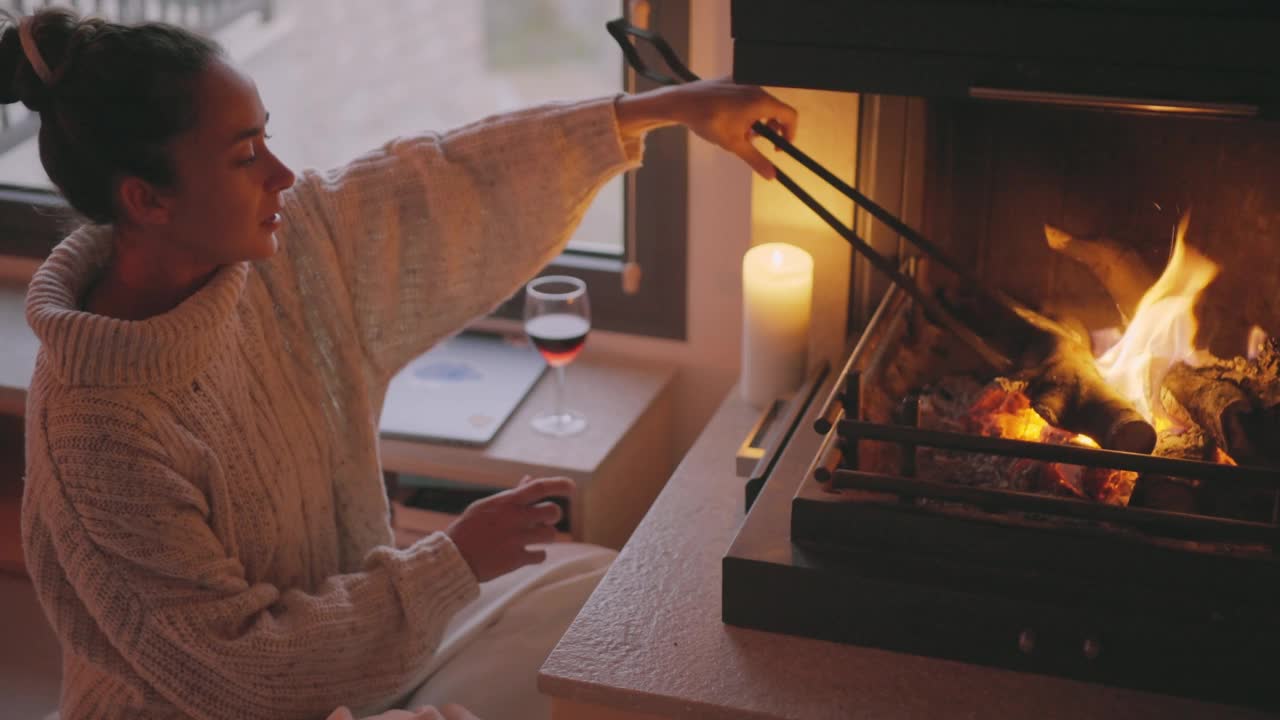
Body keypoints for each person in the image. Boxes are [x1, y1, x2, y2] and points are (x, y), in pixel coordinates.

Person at [2, 7, 797, 720]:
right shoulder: (98, 428)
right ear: (147, 199)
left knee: (617, 604)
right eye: (246, 154)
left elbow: (443, 186)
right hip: (228, 704)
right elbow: (243, 675)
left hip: (358, 643)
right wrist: (452, 562)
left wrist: (669, 109)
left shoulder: (276, 250)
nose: (281, 172)